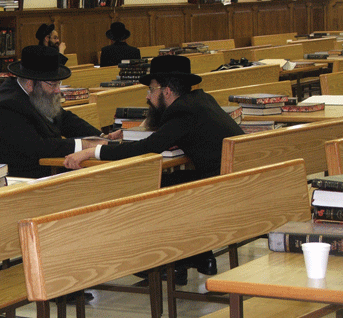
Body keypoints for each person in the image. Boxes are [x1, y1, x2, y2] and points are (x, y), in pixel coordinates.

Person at [64, 54, 245, 285]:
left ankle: (165, 262)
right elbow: (166, 132)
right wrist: (131, 132)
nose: (148, 97)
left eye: (151, 90)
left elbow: (148, 148)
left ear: (166, 91)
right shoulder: (199, 100)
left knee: (151, 186)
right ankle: (198, 256)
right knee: (172, 179)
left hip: (220, 191)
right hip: (232, 182)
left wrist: (92, 151)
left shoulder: (184, 112)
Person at [0, 45, 118, 178]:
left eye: (58, 84)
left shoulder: (35, 94)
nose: (57, 90)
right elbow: (37, 147)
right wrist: (85, 144)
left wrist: (102, 137)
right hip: (10, 179)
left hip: (39, 171)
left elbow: (65, 119)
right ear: (30, 83)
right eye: (53, 84)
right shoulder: (7, 105)